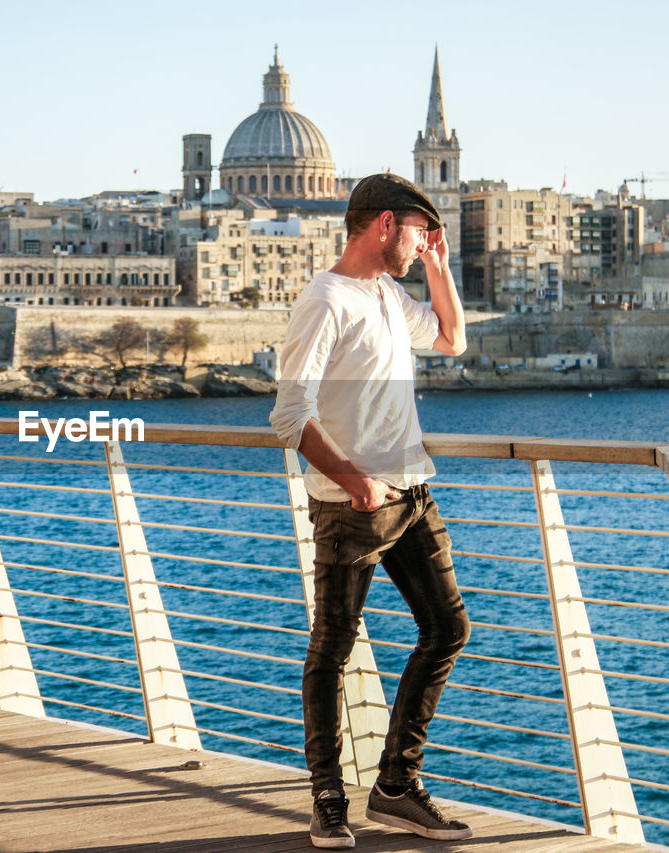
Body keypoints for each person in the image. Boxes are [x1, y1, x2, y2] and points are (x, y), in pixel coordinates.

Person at [269, 173, 472, 848]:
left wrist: (439, 268)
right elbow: (289, 416)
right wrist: (353, 479)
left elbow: (452, 339)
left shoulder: (388, 292)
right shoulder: (325, 301)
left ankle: (394, 784)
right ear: (385, 224)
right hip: (353, 507)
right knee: (333, 649)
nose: (425, 244)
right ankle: (328, 795)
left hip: (413, 494)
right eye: (419, 233)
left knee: (447, 627)